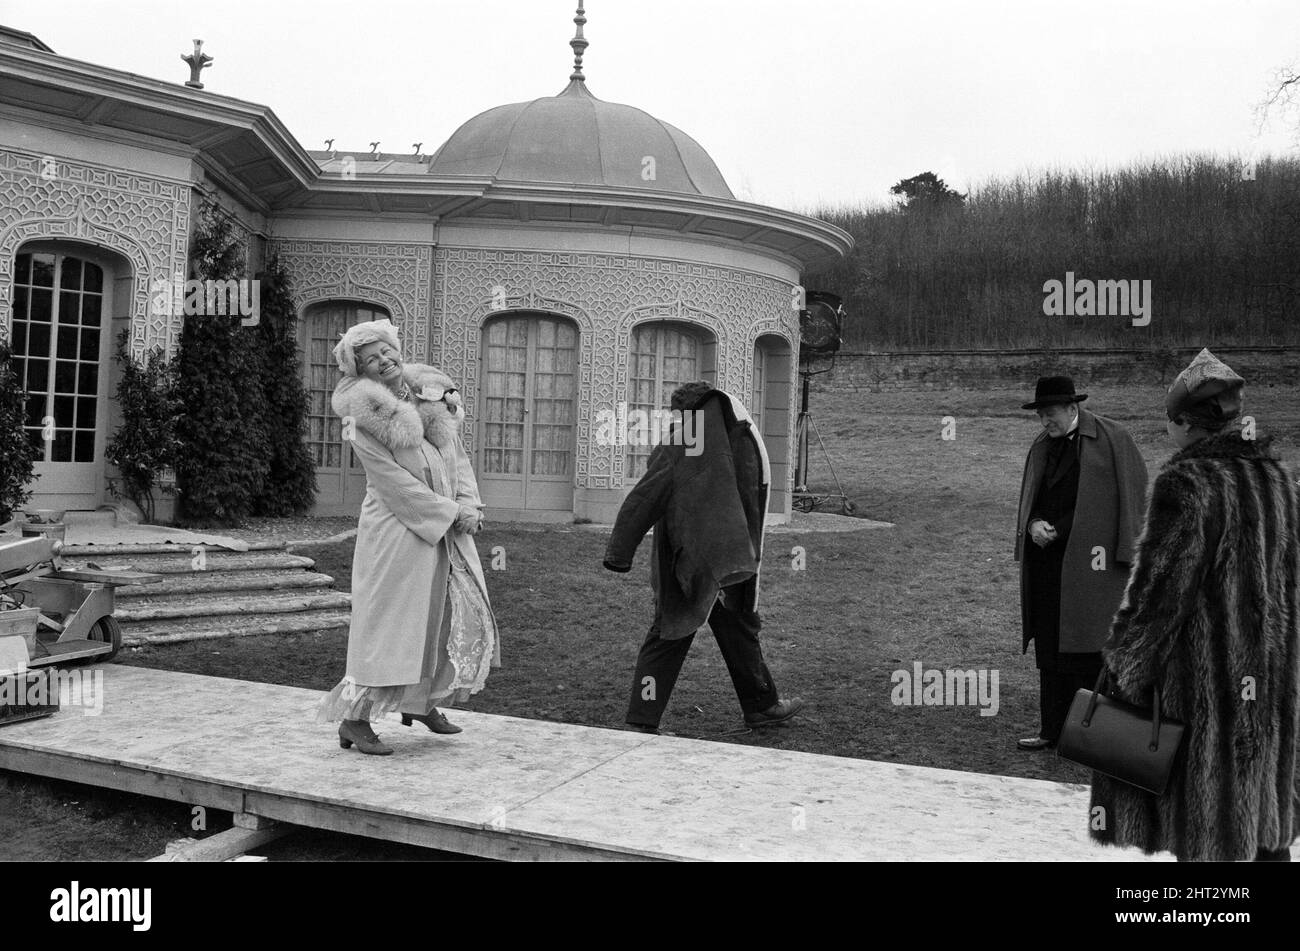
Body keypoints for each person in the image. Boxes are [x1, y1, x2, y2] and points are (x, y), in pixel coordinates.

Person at [1090, 349, 1300, 861]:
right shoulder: (1278, 480)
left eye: (1171, 422)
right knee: (1260, 817)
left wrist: (1123, 666)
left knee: (1209, 830)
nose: (1169, 431)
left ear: (1187, 424)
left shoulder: (1187, 483)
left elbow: (1158, 596)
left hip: (1206, 686)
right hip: (1271, 684)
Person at [316, 319, 499, 755]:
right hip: (396, 530)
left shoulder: (428, 397)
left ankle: (421, 701)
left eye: (387, 351)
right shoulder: (364, 417)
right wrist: (451, 512)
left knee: (438, 616)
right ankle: (354, 720)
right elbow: (391, 482)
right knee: (388, 623)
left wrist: (470, 505)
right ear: (360, 371)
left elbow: (457, 457)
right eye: (372, 359)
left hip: (444, 527)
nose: (385, 361)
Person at [603, 381, 803, 734]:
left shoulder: (713, 439)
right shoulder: (709, 439)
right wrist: (619, 552)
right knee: (671, 631)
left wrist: (620, 552)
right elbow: (646, 497)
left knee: (736, 627)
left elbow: (645, 496)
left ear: (682, 412)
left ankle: (762, 706)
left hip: (719, 560)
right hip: (696, 563)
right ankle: (641, 718)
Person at [1014, 376, 1147, 750]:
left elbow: (1132, 499)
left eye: (1050, 414)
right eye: (1040, 415)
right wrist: (1032, 524)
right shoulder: (1042, 445)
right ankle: (1051, 730)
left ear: (1073, 409)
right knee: (1051, 647)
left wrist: (1128, 557)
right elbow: (1032, 498)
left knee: (1089, 650)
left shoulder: (1113, 439)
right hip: (1047, 564)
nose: (1045, 422)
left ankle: (1089, 738)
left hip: (1094, 567)